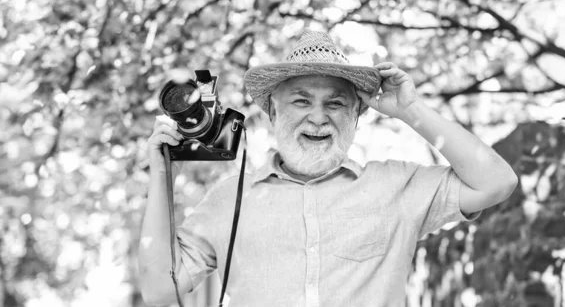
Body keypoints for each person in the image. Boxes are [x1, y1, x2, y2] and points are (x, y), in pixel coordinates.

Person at [139, 30, 518, 307]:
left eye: (336, 104)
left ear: (357, 114)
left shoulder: (397, 185)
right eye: (301, 100)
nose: (318, 118)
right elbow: (158, 289)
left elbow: (496, 182)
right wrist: (160, 173)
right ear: (273, 111)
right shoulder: (228, 200)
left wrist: (411, 111)